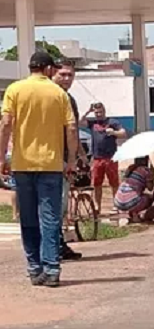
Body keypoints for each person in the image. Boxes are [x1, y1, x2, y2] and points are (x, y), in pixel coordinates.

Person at [0, 52, 79, 287]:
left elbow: (6, 124)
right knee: (50, 218)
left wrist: (1, 157)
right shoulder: (59, 94)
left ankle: (34, 268)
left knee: (28, 218)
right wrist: (72, 160)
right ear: (47, 69)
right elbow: (71, 128)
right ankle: (52, 269)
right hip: (51, 165)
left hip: (22, 164)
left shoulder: (15, 90)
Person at [52, 60, 88, 261]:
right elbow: (71, 130)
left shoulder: (67, 99)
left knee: (54, 205)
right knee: (57, 205)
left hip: (44, 158)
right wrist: (73, 159)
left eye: (70, 75)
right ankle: (54, 246)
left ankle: (54, 245)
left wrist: (81, 154)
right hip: (58, 160)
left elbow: (73, 131)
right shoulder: (61, 98)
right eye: (62, 74)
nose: (66, 79)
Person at [80, 101, 125, 214]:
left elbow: (123, 133)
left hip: (111, 158)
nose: (98, 114)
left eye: (100, 112)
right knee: (97, 184)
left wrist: (114, 132)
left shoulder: (112, 122)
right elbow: (79, 122)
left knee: (114, 183)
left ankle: (116, 206)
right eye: (96, 113)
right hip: (97, 158)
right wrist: (87, 112)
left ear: (104, 111)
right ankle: (97, 207)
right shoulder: (93, 123)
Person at [114, 157, 154, 222]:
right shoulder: (146, 170)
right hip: (131, 202)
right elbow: (150, 188)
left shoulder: (130, 169)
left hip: (118, 201)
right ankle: (135, 214)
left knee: (136, 195)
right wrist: (152, 175)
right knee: (150, 198)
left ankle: (131, 214)